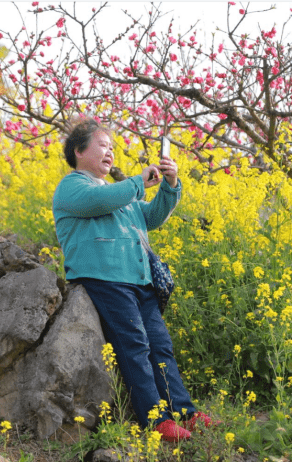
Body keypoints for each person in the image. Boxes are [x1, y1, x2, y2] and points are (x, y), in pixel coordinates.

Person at [52, 119, 217, 442]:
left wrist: (169, 185)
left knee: (161, 347)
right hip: (105, 279)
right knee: (135, 346)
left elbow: (151, 216)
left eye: (112, 147)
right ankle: (156, 420)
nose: (110, 152)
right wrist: (137, 181)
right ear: (79, 151)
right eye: (102, 145)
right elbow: (99, 202)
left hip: (139, 281)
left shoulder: (119, 193)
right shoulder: (72, 186)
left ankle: (185, 412)